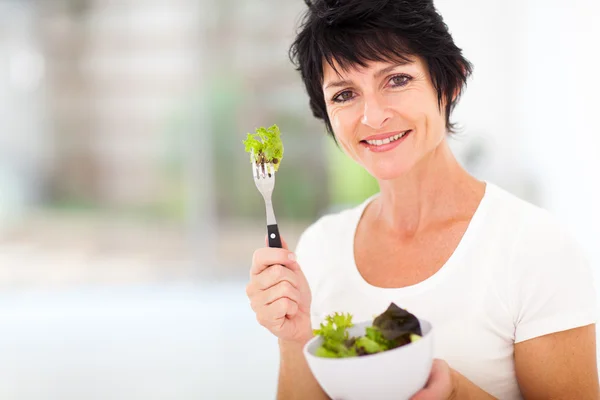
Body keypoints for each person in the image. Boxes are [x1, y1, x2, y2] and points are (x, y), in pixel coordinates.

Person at [245, 0, 599, 398]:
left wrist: (457, 394)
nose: (373, 117)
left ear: (449, 84)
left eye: (396, 80)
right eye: (345, 94)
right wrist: (295, 335)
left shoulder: (536, 249)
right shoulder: (318, 250)